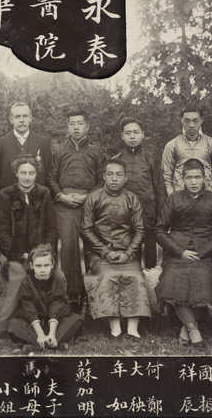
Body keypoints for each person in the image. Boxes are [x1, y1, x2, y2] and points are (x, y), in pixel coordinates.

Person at [155, 159, 212, 345]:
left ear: (205, 178)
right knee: (174, 276)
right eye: (189, 177)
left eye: (198, 177)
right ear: (182, 179)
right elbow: (159, 230)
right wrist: (180, 251)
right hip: (177, 255)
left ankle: (186, 327)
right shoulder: (173, 199)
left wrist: (203, 252)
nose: (194, 181)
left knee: (204, 276)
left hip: (205, 255)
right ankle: (192, 328)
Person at [0, 154, 60, 338]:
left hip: (41, 256)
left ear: (36, 174)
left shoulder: (44, 193)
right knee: (18, 278)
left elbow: (52, 228)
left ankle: (50, 323)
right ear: (16, 174)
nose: (27, 177)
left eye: (31, 173)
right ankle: (3, 327)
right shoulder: (6, 195)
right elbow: (1, 232)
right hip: (15, 255)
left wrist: (43, 255)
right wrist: (21, 255)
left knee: (58, 276)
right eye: (23, 173)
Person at [81, 158, 151, 339]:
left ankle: (133, 325)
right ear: (103, 176)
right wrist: (105, 251)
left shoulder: (131, 198)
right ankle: (114, 325)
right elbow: (86, 230)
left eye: (118, 175)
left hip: (127, 254)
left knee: (135, 276)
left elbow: (140, 230)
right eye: (110, 174)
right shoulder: (93, 198)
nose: (114, 179)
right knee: (107, 275)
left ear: (126, 178)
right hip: (99, 254)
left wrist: (128, 253)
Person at [47, 109, 106, 302]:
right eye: (72, 124)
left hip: (89, 203)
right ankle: (64, 292)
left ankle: (88, 293)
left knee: (89, 241)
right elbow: (51, 177)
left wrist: (87, 197)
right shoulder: (60, 152)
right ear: (67, 127)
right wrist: (62, 196)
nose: (76, 127)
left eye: (79, 123)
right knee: (65, 243)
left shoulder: (97, 152)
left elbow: (101, 180)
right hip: (63, 204)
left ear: (87, 126)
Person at [8, 244, 83, 352]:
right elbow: (28, 308)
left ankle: (37, 345)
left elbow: (56, 306)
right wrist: (40, 334)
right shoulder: (26, 282)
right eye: (38, 266)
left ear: (52, 264)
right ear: (32, 265)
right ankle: (55, 344)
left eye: (46, 265)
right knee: (13, 325)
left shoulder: (58, 281)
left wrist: (52, 333)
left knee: (77, 320)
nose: (42, 270)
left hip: (54, 324)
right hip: (34, 326)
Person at [114, 117, 166, 268]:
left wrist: (161, 218)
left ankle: (149, 284)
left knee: (149, 254)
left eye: (136, 132)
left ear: (142, 134)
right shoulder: (116, 161)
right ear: (122, 136)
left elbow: (160, 192)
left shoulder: (152, 160)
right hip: (122, 215)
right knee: (126, 252)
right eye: (128, 133)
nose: (132, 136)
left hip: (147, 215)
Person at [162, 103, 212, 195]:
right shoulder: (172, 145)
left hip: (207, 196)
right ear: (181, 120)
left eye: (195, 121)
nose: (191, 125)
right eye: (187, 121)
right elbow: (166, 176)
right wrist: (172, 197)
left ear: (202, 120)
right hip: (180, 196)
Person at [0, 102, 52, 190]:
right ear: (11, 119)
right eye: (17, 116)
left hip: (37, 198)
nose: (21, 120)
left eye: (25, 116)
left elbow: (48, 174)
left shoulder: (43, 143)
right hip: (8, 198)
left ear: (30, 118)